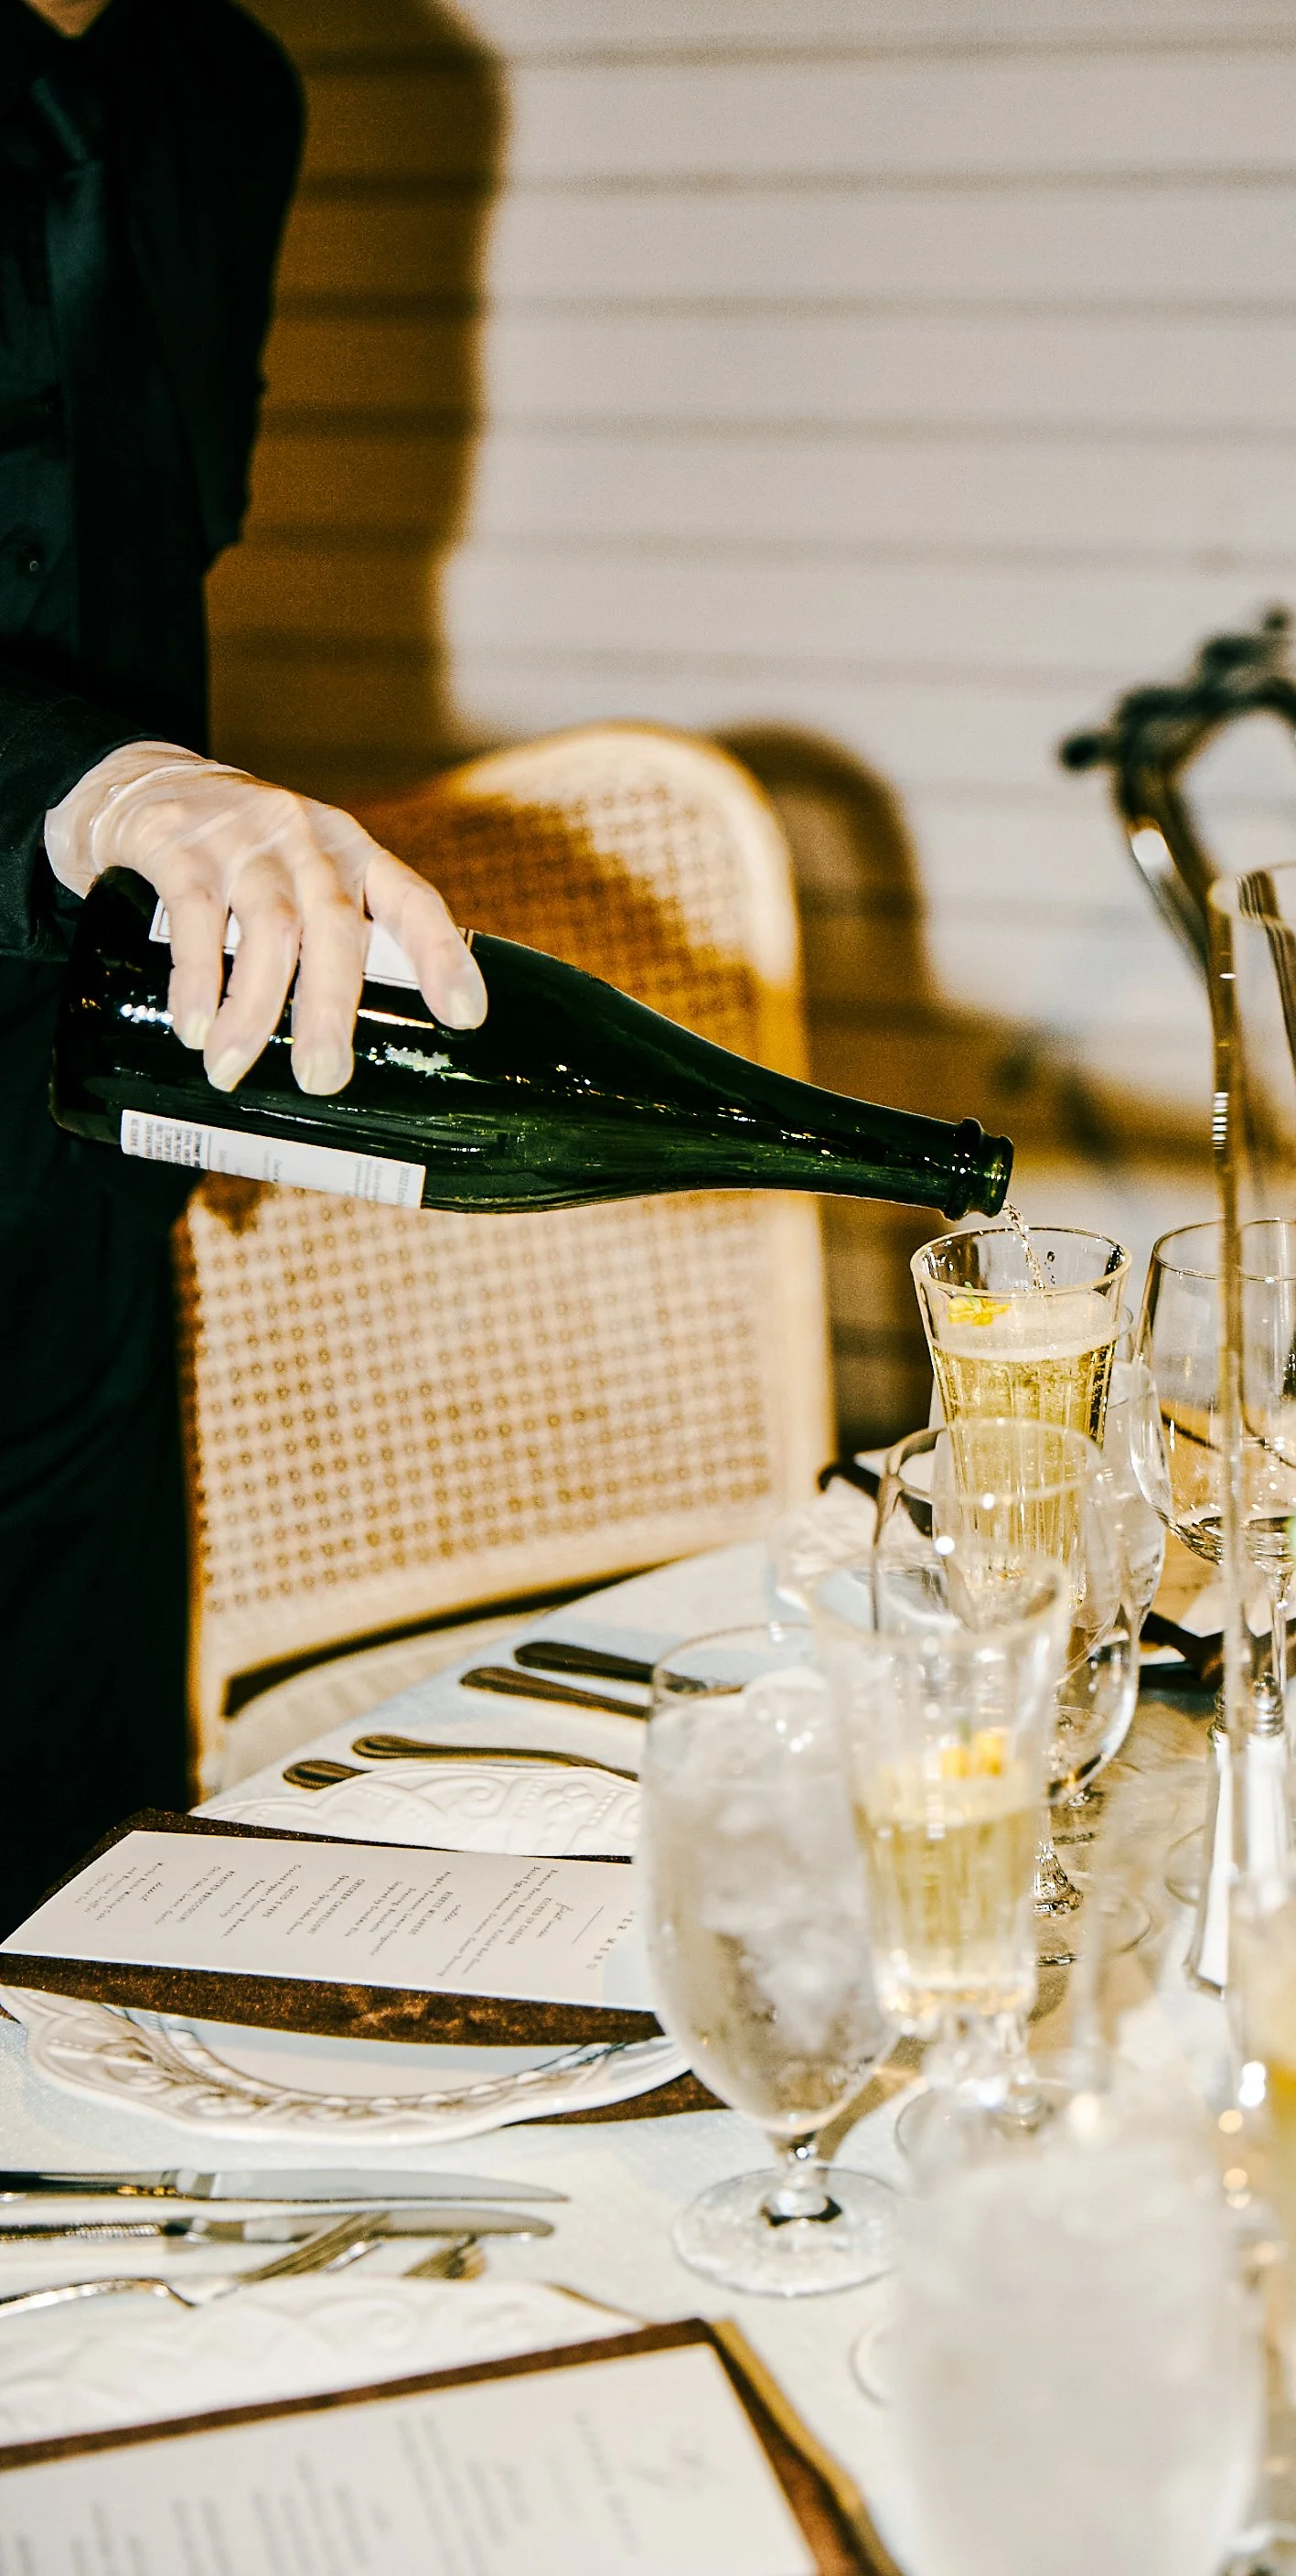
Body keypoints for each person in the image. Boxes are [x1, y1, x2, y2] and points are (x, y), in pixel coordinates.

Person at [0, 0, 487, 1927]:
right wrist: (96, 783)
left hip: (70, 1183)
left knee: (88, 1922)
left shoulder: (222, 96)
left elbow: (149, 553)